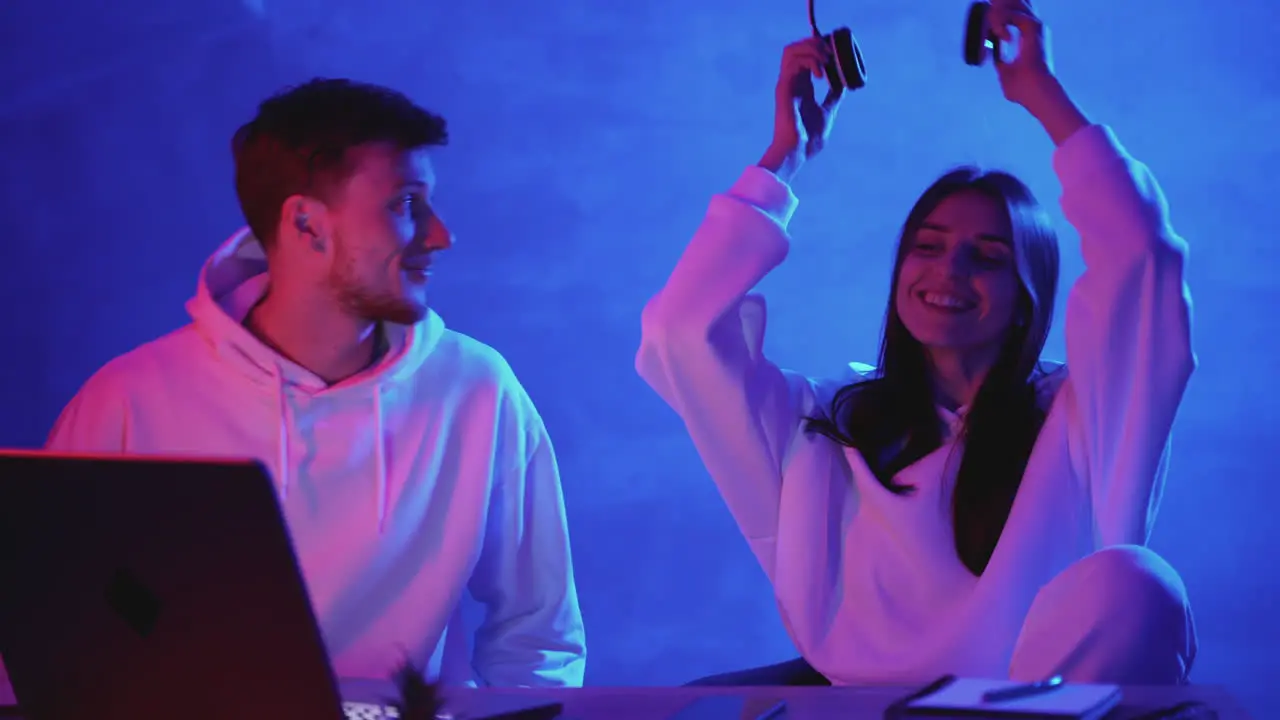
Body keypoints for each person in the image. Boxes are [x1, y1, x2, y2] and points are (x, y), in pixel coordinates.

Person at [636, 0, 1197, 686]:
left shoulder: (1079, 417)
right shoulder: (826, 425)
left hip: (1030, 700)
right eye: (926, 248)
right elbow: (678, 332)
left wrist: (1041, 92)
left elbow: (1141, 257)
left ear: (1028, 297)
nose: (948, 273)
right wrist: (785, 155)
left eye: (986, 256)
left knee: (1138, 583)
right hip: (860, 702)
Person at [34, 78, 586, 688]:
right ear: (306, 225)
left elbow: (537, 640)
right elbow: (39, 635)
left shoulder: (479, 389)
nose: (440, 236)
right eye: (405, 204)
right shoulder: (127, 403)